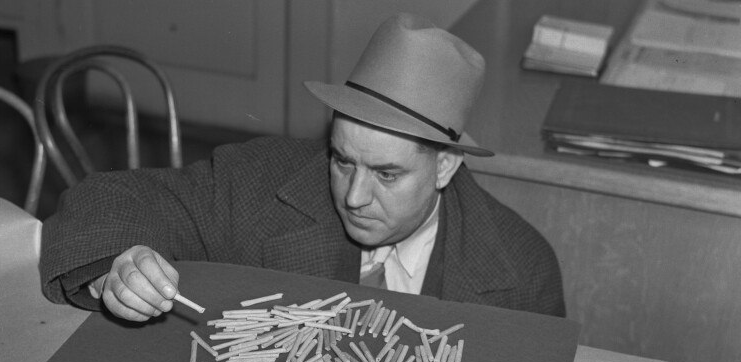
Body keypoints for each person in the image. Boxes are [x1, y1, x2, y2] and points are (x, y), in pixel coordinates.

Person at [40, 13, 565, 321]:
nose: (354, 196)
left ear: (446, 166)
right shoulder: (260, 183)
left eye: (386, 174)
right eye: (342, 160)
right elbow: (109, 201)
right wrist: (122, 262)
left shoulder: (522, 273)